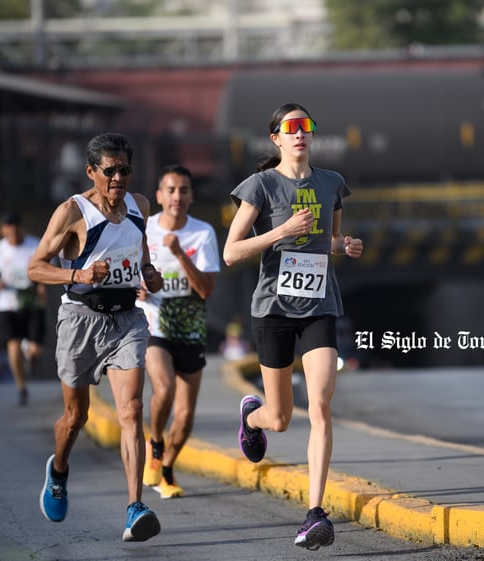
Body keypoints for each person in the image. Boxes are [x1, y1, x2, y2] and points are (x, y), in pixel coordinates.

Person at [222, 103, 364, 551]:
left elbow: (330, 240)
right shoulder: (261, 185)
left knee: (320, 405)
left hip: (320, 306)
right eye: (292, 128)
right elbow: (231, 252)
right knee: (280, 419)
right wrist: (280, 232)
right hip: (274, 310)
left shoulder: (331, 184)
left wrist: (345, 245)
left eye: (307, 127)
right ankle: (253, 417)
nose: (301, 134)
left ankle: (315, 512)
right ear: (276, 139)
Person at [27, 132, 164, 542]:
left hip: (127, 320)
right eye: (110, 171)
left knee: (131, 410)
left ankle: (134, 507)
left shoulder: (140, 206)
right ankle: (59, 470)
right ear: (92, 171)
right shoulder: (72, 212)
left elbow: (140, 255)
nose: (118, 177)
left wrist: (149, 274)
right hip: (80, 320)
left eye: (125, 170)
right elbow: (36, 267)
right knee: (75, 419)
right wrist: (78, 274)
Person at [136, 164, 220, 499]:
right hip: (154, 323)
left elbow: (205, 290)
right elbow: (126, 271)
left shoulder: (203, 233)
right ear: (159, 195)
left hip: (191, 326)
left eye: (183, 190)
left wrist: (178, 253)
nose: (177, 197)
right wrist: (135, 289)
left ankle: (167, 469)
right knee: (164, 389)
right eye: (170, 190)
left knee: (184, 416)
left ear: (191, 196)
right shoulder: (144, 229)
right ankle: (155, 443)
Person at [0, 211, 46, 405]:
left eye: (16, 232)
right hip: (8, 304)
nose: (13, 236)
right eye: (9, 233)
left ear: (21, 229)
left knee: (36, 348)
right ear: (3, 231)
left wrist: (42, 285)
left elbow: (48, 268)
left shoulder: (35, 245)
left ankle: (30, 354)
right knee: (13, 344)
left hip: (32, 302)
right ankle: (21, 387)